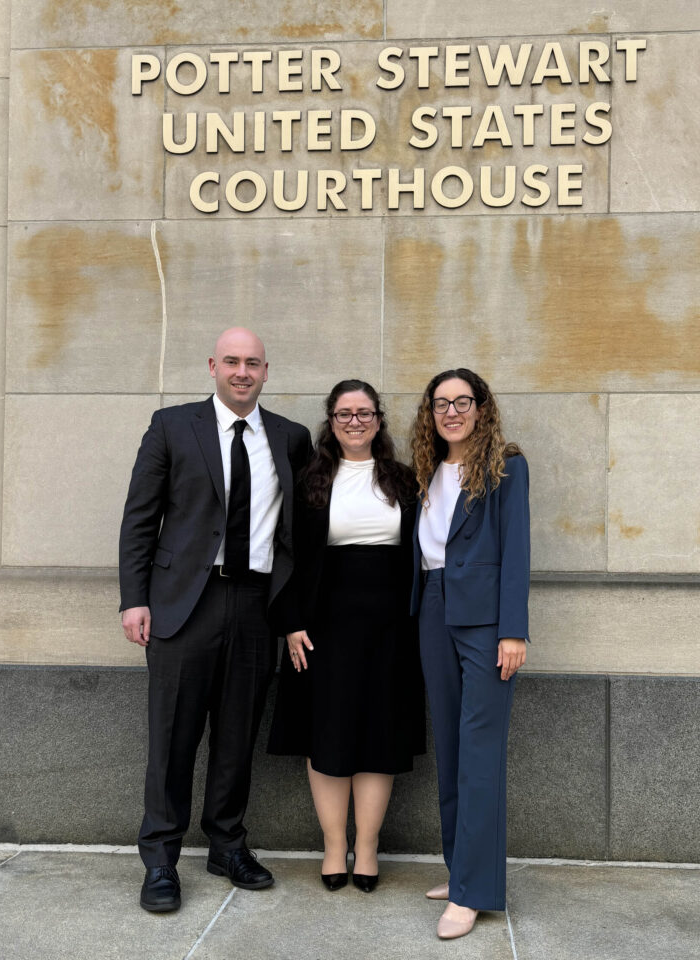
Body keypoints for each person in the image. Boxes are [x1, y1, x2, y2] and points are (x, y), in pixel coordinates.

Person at [119, 327, 312, 912]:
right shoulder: (173, 426)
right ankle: (160, 859)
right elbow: (139, 518)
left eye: (252, 363)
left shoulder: (290, 437)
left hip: (255, 605)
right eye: (232, 361)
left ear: (266, 371)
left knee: (236, 734)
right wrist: (135, 598)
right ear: (212, 366)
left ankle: (228, 844)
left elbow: (298, 534)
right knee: (173, 737)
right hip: (184, 604)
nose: (242, 372)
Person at [268, 380, 425, 893]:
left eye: (364, 413)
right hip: (321, 627)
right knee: (328, 734)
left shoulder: (405, 481)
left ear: (379, 420)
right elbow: (285, 555)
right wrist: (291, 622)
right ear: (330, 421)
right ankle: (335, 846)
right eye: (343, 413)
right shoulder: (308, 480)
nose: (354, 421)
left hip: (389, 628)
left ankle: (370, 846)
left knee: (379, 734)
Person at [410, 368, 530, 940]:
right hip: (434, 609)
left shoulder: (505, 465)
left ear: (482, 407)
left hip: (486, 624)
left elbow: (516, 550)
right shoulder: (426, 469)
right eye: (440, 403)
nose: (451, 411)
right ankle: (461, 869)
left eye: (462, 401)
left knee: (480, 752)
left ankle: (474, 892)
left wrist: (513, 631)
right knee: (453, 747)